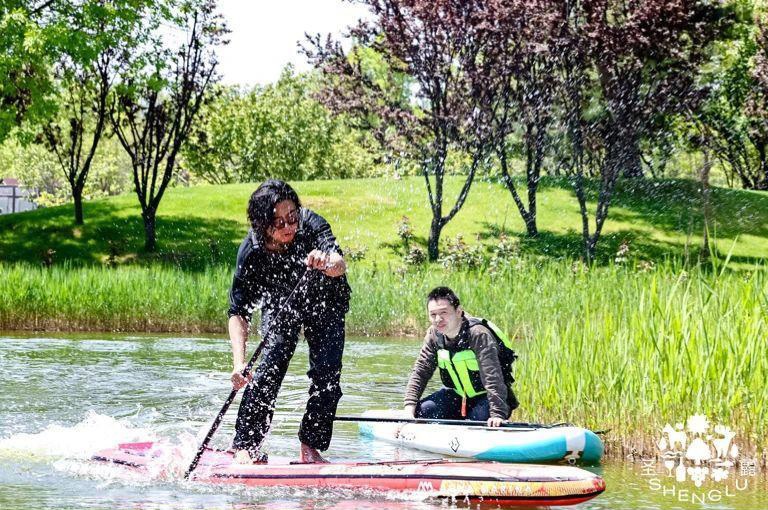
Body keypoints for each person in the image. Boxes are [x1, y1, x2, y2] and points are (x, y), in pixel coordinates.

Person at [227, 179, 351, 464]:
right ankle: (247, 445)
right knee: (269, 367)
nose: (289, 227)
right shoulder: (252, 251)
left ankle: (310, 447)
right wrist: (239, 363)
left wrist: (326, 261)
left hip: (327, 300)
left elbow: (340, 263)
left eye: (292, 217)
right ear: (262, 224)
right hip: (282, 305)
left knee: (328, 374)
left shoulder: (312, 224)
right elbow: (238, 312)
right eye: (278, 222)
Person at [403, 287, 519, 427]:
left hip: (488, 398)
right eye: (433, 315)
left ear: (458, 311)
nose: (438, 319)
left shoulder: (478, 334)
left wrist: (497, 415)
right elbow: (420, 372)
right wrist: (409, 408)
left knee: (476, 422)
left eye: (444, 312)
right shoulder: (434, 336)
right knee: (421, 412)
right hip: (458, 396)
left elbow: (492, 377)